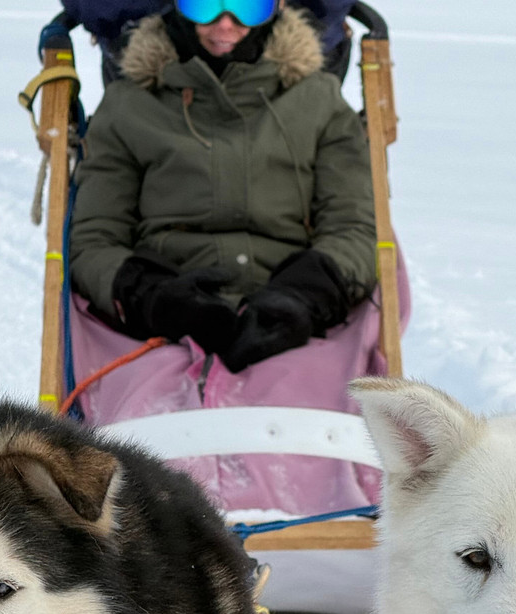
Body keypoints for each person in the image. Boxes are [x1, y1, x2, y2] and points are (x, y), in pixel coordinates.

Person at [68, 0, 376, 372]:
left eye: (248, 7)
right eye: (204, 5)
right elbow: (94, 238)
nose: (225, 25)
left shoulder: (319, 102)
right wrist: (150, 295)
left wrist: (304, 296)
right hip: (156, 329)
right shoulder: (128, 106)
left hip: (302, 326)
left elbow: (353, 227)